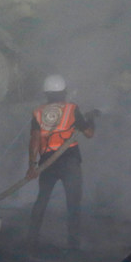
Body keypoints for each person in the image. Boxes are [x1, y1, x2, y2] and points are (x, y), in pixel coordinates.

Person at [26, 74, 96, 251]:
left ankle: (31, 241)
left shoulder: (38, 113)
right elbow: (88, 133)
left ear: (46, 93)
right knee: (73, 204)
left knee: (41, 200)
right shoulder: (71, 109)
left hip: (47, 163)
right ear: (64, 92)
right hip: (69, 162)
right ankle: (73, 246)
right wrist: (91, 119)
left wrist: (32, 166)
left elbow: (34, 140)